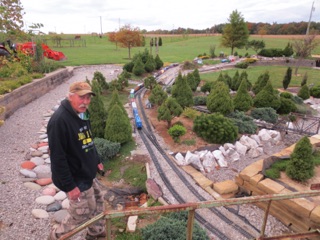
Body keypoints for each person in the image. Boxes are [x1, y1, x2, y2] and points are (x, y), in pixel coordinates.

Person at [47, 81, 106, 240]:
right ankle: (56, 237)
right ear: (71, 96)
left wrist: (96, 159)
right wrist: (70, 186)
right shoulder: (59, 121)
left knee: (98, 203)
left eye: (88, 98)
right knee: (80, 214)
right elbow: (58, 159)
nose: (85, 102)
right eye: (81, 98)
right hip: (74, 178)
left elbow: (88, 138)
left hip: (86, 172)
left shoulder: (82, 113)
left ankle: (96, 233)